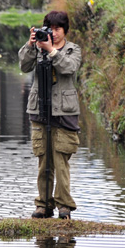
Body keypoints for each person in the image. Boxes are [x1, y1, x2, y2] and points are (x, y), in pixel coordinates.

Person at [18, 11, 82, 220]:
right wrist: (31, 45)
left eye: (58, 29)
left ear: (65, 31)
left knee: (61, 161)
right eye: (50, 29)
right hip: (40, 110)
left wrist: (52, 51)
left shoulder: (73, 49)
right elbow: (23, 66)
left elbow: (69, 68)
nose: (53, 34)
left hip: (64, 112)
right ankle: (43, 205)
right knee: (43, 161)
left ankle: (64, 207)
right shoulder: (37, 48)